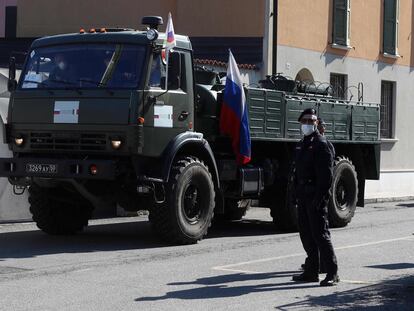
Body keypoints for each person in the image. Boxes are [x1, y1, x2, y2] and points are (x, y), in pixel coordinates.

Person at [292, 108, 339, 286]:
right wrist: (294, 195)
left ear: (317, 123)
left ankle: (332, 273)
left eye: (311, 121)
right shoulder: (301, 144)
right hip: (303, 195)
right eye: (305, 121)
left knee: (321, 235)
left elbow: (326, 177)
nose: (308, 124)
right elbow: (296, 173)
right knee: (306, 234)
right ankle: (311, 271)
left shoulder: (321, 144)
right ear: (300, 123)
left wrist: (320, 199)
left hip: (315, 196)